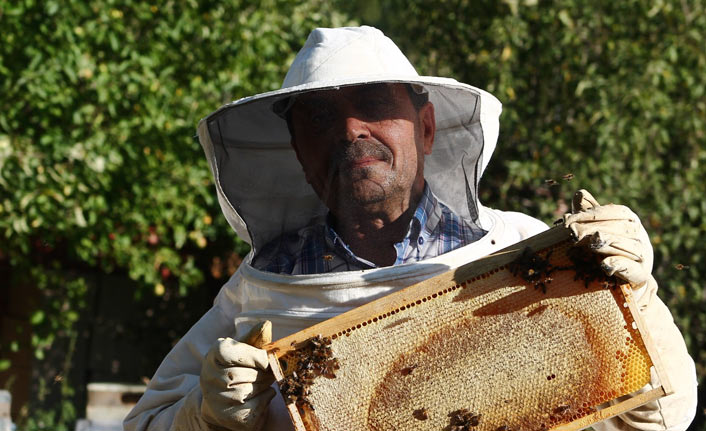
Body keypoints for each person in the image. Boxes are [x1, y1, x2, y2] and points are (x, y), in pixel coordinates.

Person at [124, 26, 697, 431]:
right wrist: (205, 416)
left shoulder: (527, 250)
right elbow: (145, 426)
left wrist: (635, 297)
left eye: (373, 103)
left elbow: (664, 418)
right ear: (300, 153)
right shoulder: (256, 294)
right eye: (320, 119)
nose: (350, 131)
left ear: (425, 126)